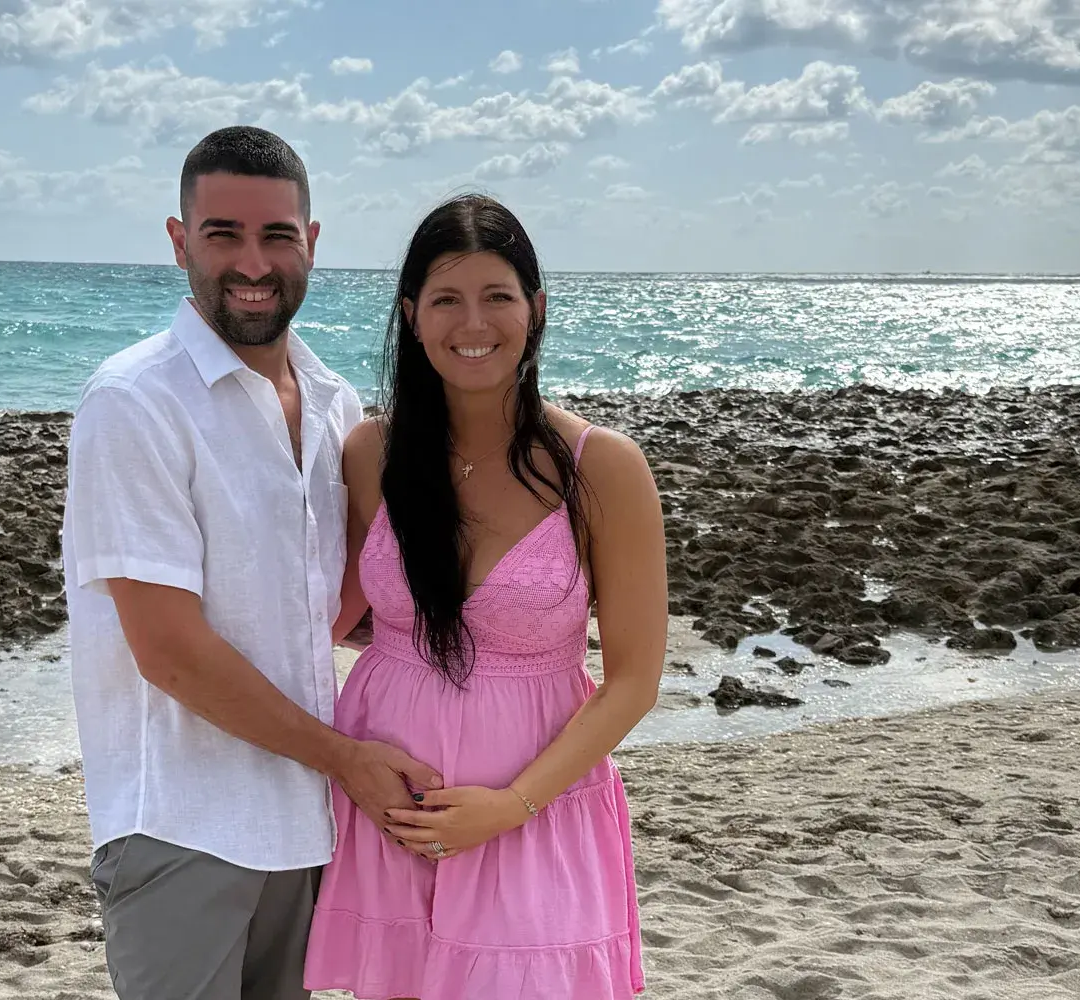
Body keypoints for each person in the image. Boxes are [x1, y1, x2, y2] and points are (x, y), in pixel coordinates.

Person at [60, 125, 441, 1000]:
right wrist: (346, 757)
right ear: (178, 240)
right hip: (181, 824)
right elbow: (168, 650)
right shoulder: (134, 401)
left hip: (305, 827)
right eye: (223, 233)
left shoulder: (339, 404)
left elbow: (324, 609)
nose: (253, 262)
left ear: (311, 243)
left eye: (276, 235)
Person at [302, 193, 668, 1000]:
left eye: (497, 296)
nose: (474, 323)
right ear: (411, 314)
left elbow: (636, 679)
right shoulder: (372, 453)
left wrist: (512, 803)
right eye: (446, 299)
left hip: (536, 804)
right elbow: (327, 614)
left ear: (535, 308)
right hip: (392, 798)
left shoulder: (601, 469)